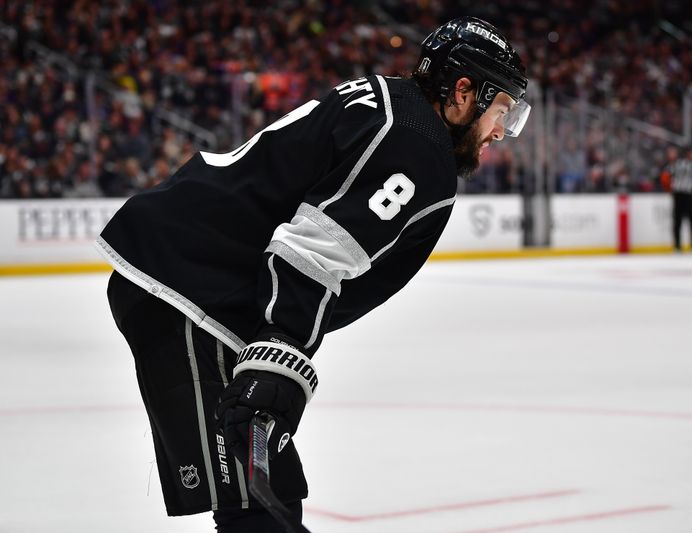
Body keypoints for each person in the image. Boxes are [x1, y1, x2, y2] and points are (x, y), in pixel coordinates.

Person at [95, 17, 530, 533]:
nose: (503, 130)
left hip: (192, 280)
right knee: (258, 504)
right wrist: (279, 351)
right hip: (193, 290)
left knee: (265, 493)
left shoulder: (392, 103)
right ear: (463, 92)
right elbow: (315, 247)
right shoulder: (417, 144)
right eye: (502, 109)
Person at [660, 146, 692, 252]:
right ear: (688, 154)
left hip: (678, 195)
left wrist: (669, 190)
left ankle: (677, 246)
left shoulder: (673, 165)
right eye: (691, 153)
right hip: (689, 195)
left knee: (677, 222)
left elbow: (665, 178)